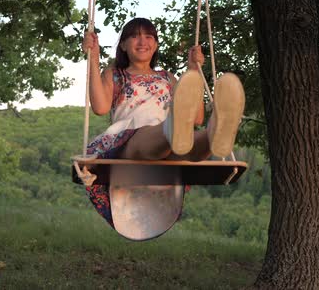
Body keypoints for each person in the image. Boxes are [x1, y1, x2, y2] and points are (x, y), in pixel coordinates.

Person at [78, 18, 245, 226]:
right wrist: (93, 58)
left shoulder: (168, 78)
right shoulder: (116, 74)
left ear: (155, 45)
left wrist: (193, 70)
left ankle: (215, 132)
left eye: (149, 36)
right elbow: (100, 107)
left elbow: (196, 118)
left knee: (186, 145)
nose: (142, 41)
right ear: (123, 45)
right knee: (161, 137)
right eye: (134, 36)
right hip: (130, 140)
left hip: (170, 144)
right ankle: (176, 129)